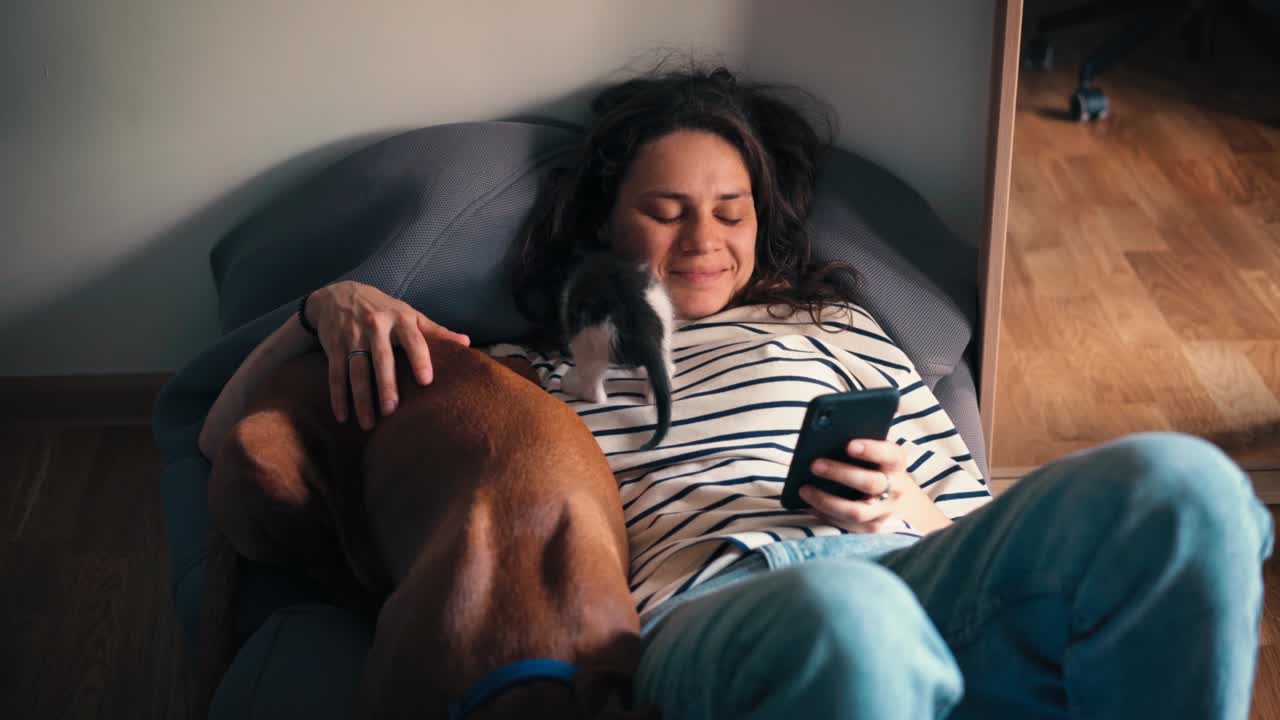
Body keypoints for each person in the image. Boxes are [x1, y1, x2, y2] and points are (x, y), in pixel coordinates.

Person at [199, 66, 1275, 719]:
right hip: (714, 625)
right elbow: (213, 436)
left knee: (1187, 486)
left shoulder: (843, 327)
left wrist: (905, 509)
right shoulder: (519, 374)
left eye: (730, 207)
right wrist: (319, 308)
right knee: (845, 616)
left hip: (924, 578)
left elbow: (986, 530)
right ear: (600, 226)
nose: (704, 236)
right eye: (665, 210)